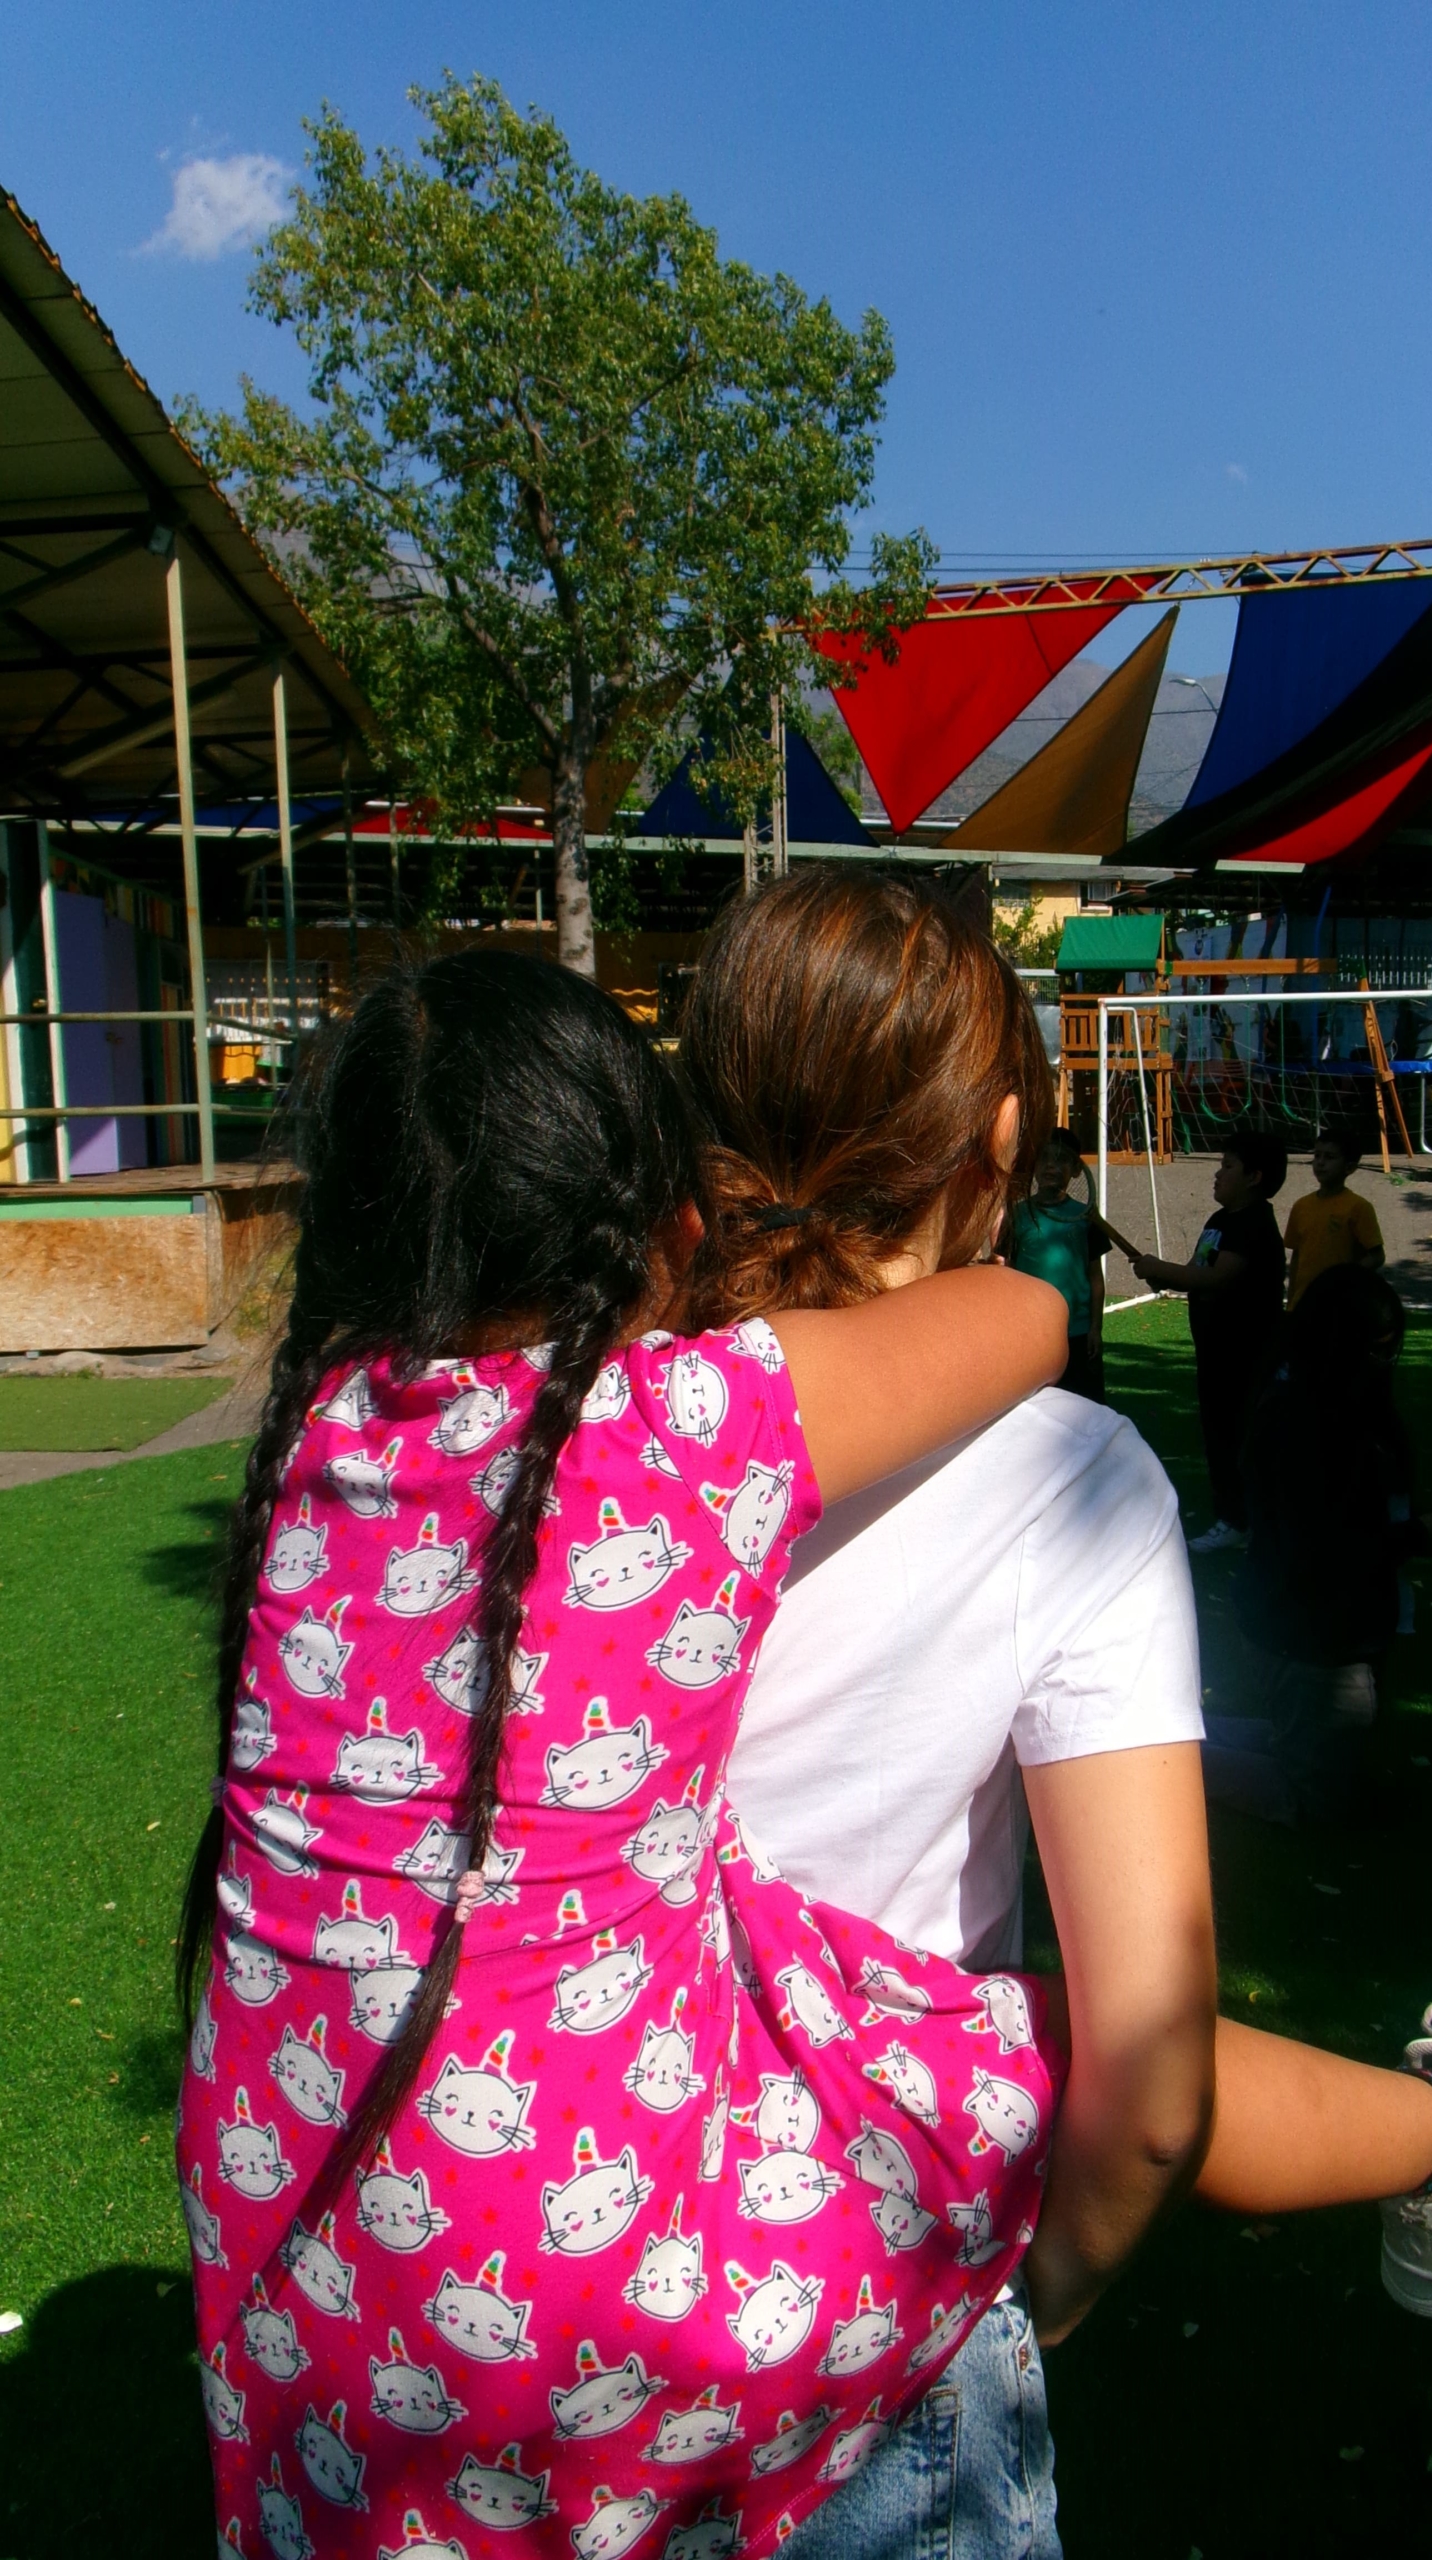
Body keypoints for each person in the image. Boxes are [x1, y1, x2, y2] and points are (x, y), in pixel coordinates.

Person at [678, 873, 1432, 2558]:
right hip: (870, 2314)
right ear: (1000, 1134)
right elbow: (1155, 2084)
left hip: (546, 2304)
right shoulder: (1066, 1481)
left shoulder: (553, 1432)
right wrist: (1033, 2302)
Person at [173, 949, 1075, 2560]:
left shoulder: (310, 1444)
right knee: (1048, 2063)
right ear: (667, 1224)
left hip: (297, 2320)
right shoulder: (682, 1424)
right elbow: (1027, 1316)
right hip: (571, 2322)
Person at [1204, 1265, 1417, 1826]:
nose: (1386, 1364)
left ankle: (1187, 1740)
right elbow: (1321, 1549)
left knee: (1318, 1750)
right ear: (1339, 1348)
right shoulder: (1304, 1422)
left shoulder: (1331, 1405)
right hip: (1310, 1632)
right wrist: (1414, 1536)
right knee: (1317, 1801)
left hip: (1324, 1625)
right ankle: (1170, 1760)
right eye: (1376, 1351)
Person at [1127, 1122, 1288, 1554]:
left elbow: (1218, 1278)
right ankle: (1233, 1513)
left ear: (1254, 1177)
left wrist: (1162, 1269)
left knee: (1240, 1437)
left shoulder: (1254, 1224)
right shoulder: (1220, 1220)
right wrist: (1164, 1276)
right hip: (1215, 1352)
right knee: (1218, 1435)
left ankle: (1242, 1519)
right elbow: (1198, 1271)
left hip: (1246, 1355)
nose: (1217, 1174)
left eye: (1228, 1166)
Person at [1004, 1127, 1105, 1401]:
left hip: (1077, 1332)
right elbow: (1007, 1272)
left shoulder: (1086, 1217)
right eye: (1044, 1158)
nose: (1051, 1166)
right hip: (1032, 1330)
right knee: (1035, 1405)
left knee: (1085, 1406)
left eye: (1061, 1159)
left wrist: (1095, 1328)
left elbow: (1095, 1276)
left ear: (1076, 1169)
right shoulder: (1018, 1215)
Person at [1284, 1125, 1385, 1311]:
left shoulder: (1358, 1207)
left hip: (1340, 1304)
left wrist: (1344, 1279)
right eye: (1317, 1156)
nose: (1320, 1163)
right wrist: (1291, 1303)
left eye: (1329, 1157)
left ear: (1349, 1167)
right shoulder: (1301, 1206)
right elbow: (1297, 1256)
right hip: (1303, 1302)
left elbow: (1376, 1256)